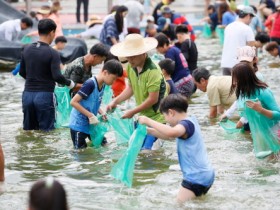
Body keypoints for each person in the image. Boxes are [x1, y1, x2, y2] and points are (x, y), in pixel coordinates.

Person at [138, 94, 215, 203]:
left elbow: (172, 132)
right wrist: (148, 130)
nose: (166, 120)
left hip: (195, 177)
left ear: (171, 112)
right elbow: (169, 136)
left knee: (179, 205)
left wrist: (148, 120)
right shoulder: (191, 121)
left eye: (165, 116)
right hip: (205, 174)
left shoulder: (186, 124)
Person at [108, 34, 167, 150]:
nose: (130, 60)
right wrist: (115, 101)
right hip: (142, 117)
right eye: (128, 56)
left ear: (143, 53)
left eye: (133, 56)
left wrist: (132, 111)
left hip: (157, 119)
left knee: (147, 152)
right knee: (135, 149)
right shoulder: (131, 67)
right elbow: (130, 88)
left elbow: (153, 99)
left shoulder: (153, 71)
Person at [19, 19, 75, 131]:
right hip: (45, 96)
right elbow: (57, 76)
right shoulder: (52, 53)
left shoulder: (26, 49)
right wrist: (71, 84)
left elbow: (21, 72)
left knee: (29, 131)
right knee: (47, 133)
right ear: (52, 32)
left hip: (27, 95)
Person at [229, 62, 280, 158]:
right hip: (260, 133)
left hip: (274, 130)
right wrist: (241, 120)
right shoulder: (243, 93)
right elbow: (246, 112)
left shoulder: (263, 92)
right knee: (266, 162)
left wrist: (261, 110)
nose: (234, 82)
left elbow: (278, 114)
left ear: (243, 79)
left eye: (235, 79)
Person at [69, 60, 123, 149]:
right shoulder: (90, 84)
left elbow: (95, 101)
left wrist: (102, 113)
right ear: (105, 72)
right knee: (80, 151)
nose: (114, 82)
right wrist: (90, 115)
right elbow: (73, 102)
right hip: (78, 124)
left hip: (91, 123)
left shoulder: (103, 84)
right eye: (113, 78)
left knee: (104, 144)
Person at [220, 46, 264, 130]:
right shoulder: (242, 76)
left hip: (255, 118)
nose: (244, 65)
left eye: (247, 62)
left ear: (255, 60)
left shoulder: (257, 77)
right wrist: (228, 113)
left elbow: (257, 102)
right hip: (247, 116)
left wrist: (243, 120)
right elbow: (240, 98)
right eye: (242, 62)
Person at [155, 33, 195, 98]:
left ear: (164, 45)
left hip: (182, 83)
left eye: (158, 48)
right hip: (188, 81)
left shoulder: (169, 53)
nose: (157, 50)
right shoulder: (174, 49)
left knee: (176, 102)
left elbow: (168, 70)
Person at [220, 5, 256, 75]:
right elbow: (252, 48)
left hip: (225, 64)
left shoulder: (228, 27)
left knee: (228, 85)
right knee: (241, 86)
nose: (251, 21)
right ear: (248, 16)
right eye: (251, 18)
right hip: (239, 66)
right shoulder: (247, 28)